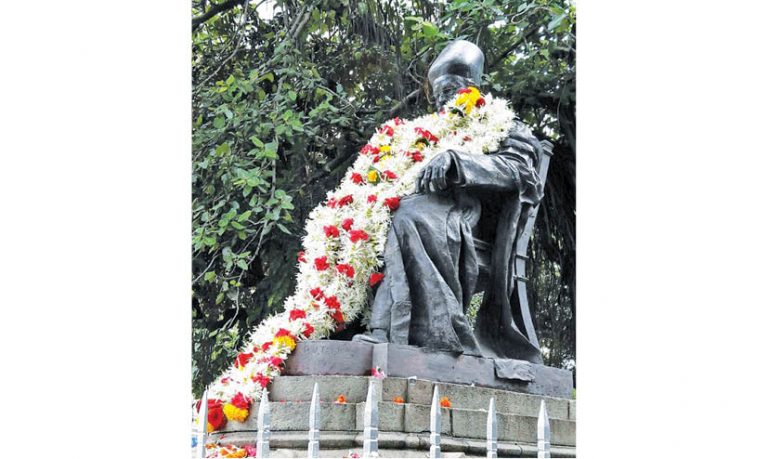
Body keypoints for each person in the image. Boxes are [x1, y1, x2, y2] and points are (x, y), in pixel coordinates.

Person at [353, 40, 545, 364]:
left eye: (451, 92)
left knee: (407, 217)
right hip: (427, 208)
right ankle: (374, 331)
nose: (444, 101)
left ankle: (418, 335)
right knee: (368, 224)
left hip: (471, 218)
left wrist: (458, 161)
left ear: (472, 90)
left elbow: (520, 172)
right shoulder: (427, 134)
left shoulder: (503, 123)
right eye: (439, 95)